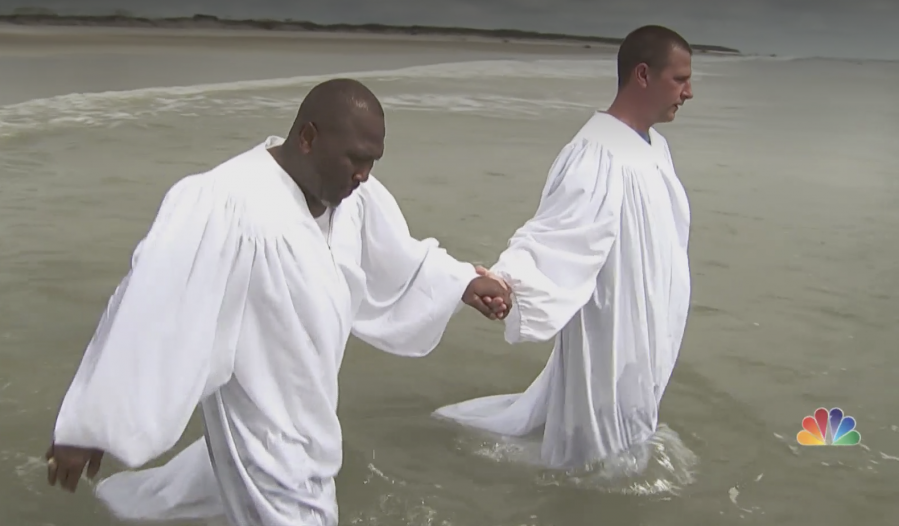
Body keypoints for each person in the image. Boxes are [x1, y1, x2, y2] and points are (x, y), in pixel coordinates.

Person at [43, 78, 510, 526]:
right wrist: (93, 425)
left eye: (373, 161)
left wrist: (462, 283)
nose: (364, 174)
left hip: (312, 413)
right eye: (356, 159)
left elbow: (396, 256)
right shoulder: (228, 203)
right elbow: (150, 306)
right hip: (264, 431)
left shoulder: (349, 196)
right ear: (308, 137)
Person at [433, 25, 694, 470]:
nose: (689, 92)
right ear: (643, 75)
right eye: (680, 79)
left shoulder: (655, 147)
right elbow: (554, 232)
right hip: (612, 321)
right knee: (602, 454)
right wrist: (504, 280)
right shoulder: (596, 152)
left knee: (634, 425)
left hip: (649, 315)